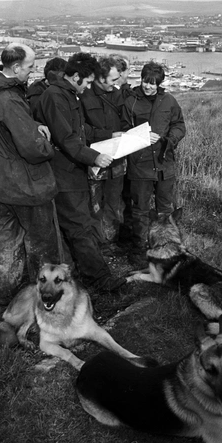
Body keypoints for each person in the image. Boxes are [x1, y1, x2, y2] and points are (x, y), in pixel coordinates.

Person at [35, 52, 124, 293]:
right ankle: (99, 278)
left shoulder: (67, 94)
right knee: (79, 225)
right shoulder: (55, 97)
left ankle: (83, 274)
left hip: (73, 172)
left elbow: (80, 130)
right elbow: (67, 138)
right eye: (86, 82)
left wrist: (107, 135)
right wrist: (95, 156)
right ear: (75, 76)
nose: (87, 87)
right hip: (64, 174)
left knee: (78, 224)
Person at [0, 44, 61, 305]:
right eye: (30, 67)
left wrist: (32, 124)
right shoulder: (11, 98)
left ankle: (7, 297)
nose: (33, 71)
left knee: (7, 240)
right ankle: (44, 299)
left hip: (0, 182)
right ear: (16, 68)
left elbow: (4, 128)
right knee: (41, 244)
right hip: (26, 186)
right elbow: (32, 148)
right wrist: (49, 146)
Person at [120, 61, 186, 262]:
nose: (148, 86)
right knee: (140, 209)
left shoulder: (169, 101)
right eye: (145, 81)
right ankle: (140, 250)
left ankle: (167, 247)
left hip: (165, 162)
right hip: (140, 164)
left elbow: (179, 125)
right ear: (140, 79)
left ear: (160, 83)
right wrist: (140, 137)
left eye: (153, 83)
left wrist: (170, 139)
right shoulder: (130, 101)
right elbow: (122, 130)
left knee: (165, 208)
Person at [80, 55, 134, 248]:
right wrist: (108, 134)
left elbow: (126, 121)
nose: (116, 82)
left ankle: (110, 242)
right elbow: (81, 129)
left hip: (117, 162)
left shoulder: (117, 94)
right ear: (101, 78)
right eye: (112, 79)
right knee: (94, 205)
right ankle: (96, 244)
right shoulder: (83, 96)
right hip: (95, 161)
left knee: (113, 203)